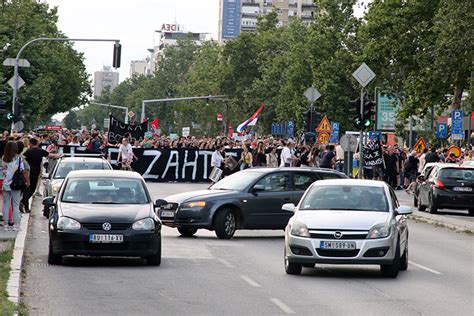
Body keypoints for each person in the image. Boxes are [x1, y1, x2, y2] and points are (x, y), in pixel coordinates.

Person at [22, 138, 62, 213]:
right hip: (36, 172)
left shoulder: (28, 151)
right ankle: (24, 203)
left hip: (27, 172)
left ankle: (25, 204)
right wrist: (59, 155)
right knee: (32, 189)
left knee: (27, 189)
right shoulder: (40, 151)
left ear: (30, 144)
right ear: (36, 144)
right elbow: (50, 155)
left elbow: (22, 159)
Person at [1, 141, 30, 230]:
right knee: (16, 204)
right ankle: (16, 225)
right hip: (16, 183)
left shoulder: (3, 158)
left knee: (6, 204)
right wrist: (27, 181)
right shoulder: (19, 159)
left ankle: (5, 224)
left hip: (5, 183)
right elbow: (24, 171)